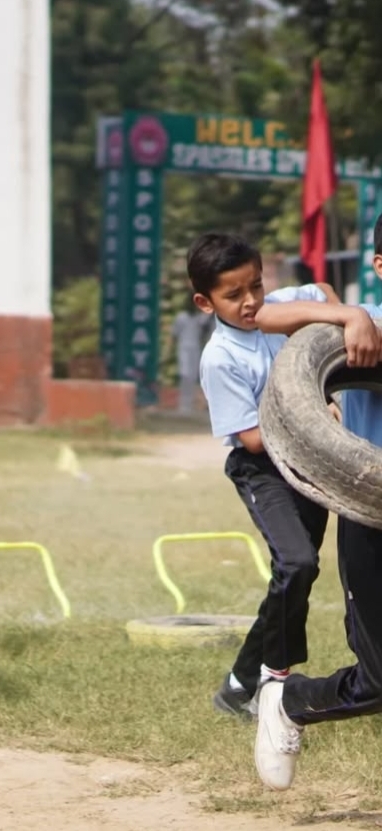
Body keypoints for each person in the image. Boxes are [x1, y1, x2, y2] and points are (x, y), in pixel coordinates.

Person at [189, 232, 372, 720]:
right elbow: (249, 437)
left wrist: (344, 317)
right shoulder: (221, 357)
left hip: (310, 464)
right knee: (296, 564)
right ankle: (275, 680)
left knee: (299, 572)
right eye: (234, 295)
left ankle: (237, 685)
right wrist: (312, 417)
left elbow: (325, 297)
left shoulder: (280, 306)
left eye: (256, 286)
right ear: (205, 303)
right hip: (264, 468)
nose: (250, 302)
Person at [249, 218, 382, 790]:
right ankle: (288, 701)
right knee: (380, 680)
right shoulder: (367, 326)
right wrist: (349, 315)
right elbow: (264, 315)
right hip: (372, 517)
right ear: (379, 264)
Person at [171, 299, 211, 414]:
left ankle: (190, 403)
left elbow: (207, 320)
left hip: (195, 349)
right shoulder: (181, 317)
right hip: (184, 348)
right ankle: (184, 403)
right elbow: (174, 334)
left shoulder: (199, 319)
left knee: (193, 376)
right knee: (185, 375)